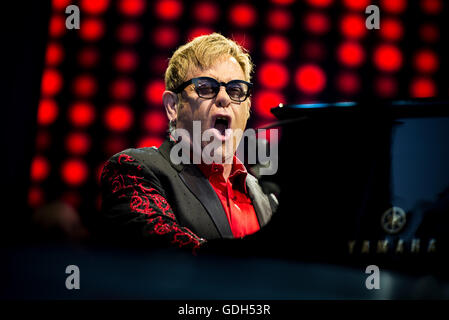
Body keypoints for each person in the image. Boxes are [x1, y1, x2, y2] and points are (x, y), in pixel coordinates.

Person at [100, 33, 277, 252]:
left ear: (247, 109)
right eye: (206, 88)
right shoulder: (133, 169)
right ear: (173, 106)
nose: (224, 98)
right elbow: (162, 249)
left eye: (235, 90)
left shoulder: (269, 197)